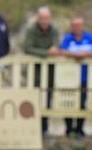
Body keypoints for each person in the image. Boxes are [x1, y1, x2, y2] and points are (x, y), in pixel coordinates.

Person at [59, 17, 92, 137]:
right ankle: (68, 129)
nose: (77, 28)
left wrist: (87, 54)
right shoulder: (67, 39)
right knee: (68, 102)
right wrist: (73, 55)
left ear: (82, 26)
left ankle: (79, 129)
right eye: (74, 26)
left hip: (85, 77)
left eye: (79, 26)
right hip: (68, 77)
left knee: (82, 102)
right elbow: (60, 51)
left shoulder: (90, 38)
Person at [24, 6, 59, 135]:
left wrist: (53, 51)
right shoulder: (31, 30)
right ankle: (33, 129)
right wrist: (46, 53)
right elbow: (28, 48)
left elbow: (56, 46)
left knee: (48, 98)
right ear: (38, 18)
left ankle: (44, 128)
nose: (45, 21)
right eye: (42, 18)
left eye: (47, 18)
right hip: (35, 71)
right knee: (34, 99)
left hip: (50, 71)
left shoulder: (54, 30)